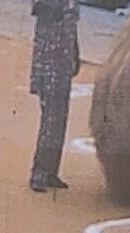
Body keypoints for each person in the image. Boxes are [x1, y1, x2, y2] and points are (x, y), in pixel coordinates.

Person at [29, 0, 80, 193]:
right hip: (48, 65)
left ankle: (50, 171)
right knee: (50, 121)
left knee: (59, 121)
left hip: (63, 65)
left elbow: (72, 31)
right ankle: (39, 173)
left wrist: (75, 56)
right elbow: (39, 8)